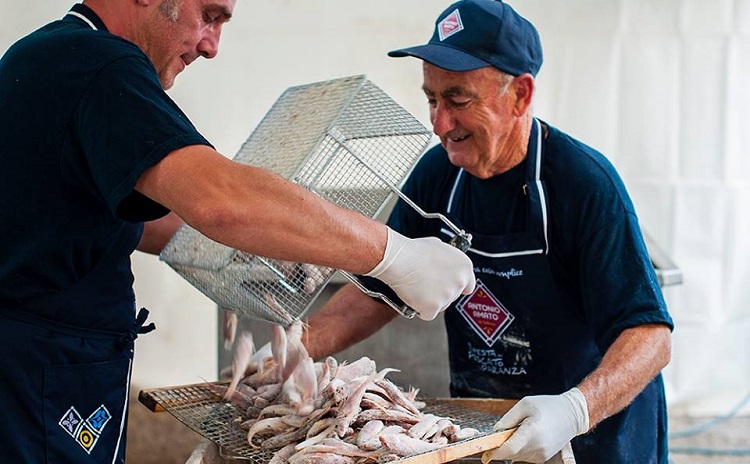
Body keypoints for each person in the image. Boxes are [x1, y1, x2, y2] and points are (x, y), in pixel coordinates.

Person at [0, 0, 476, 462]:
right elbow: (219, 198)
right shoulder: (102, 64)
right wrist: (394, 254)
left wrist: (252, 249)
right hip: (42, 378)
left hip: (38, 368)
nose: (212, 47)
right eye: (208, 16)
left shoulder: (45, 53)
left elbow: (119, 217)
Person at [302, 1, 674, 463]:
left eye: (458, 99)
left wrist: (574, 411)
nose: (439, 124)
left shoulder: (582, 184)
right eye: (432, 100)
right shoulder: (437, 175)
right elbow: (379, 290)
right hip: (484, 430)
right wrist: (297, 350)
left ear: (519, 94)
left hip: (596, 437)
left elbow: (650, 336)